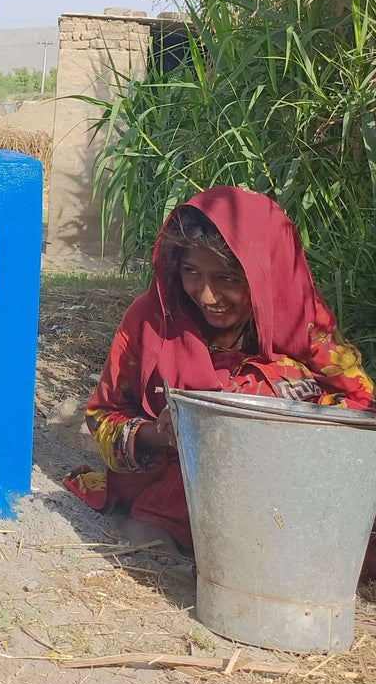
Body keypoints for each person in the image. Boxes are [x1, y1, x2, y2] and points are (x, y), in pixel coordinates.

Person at [64, 186, 373, 558]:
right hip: (179, 478)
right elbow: (102, 415)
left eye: (228, 278)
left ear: (265, 275)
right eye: (191, 272)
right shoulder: (153, 318)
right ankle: (168, 529)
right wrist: (166, 433)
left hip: (284, 481)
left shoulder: (302, 321)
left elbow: (363, 407)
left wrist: (263, 416)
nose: (207, 295)